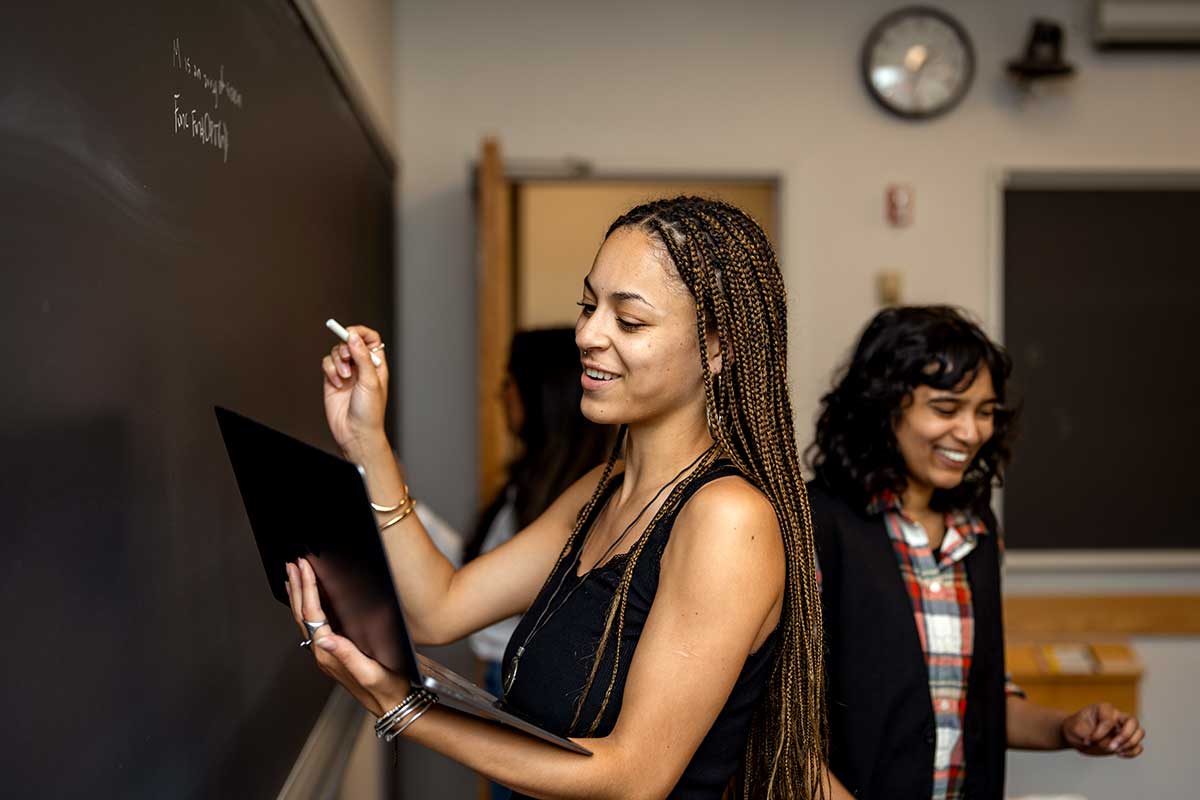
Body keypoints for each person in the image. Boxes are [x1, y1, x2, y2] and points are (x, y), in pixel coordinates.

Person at [286, 197, 835, 799]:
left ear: (717, 348)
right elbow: (437, 608)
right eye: (587, 305)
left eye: (629, 321)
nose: (588, 334)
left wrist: (405, 706)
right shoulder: (600, 493)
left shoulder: (727, 519)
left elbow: (632, 778)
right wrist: (366, 441)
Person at [805, 305, 1146, 800]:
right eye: (946, 409)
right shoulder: (814, 526)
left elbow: (978, 700)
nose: (970, 433)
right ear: (883, 407)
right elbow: (777, 730)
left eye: (985, 412)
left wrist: (1067, 727)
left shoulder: (977, 533)